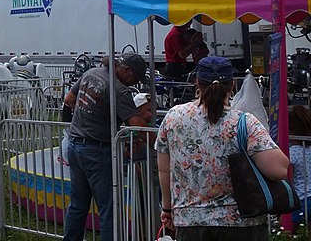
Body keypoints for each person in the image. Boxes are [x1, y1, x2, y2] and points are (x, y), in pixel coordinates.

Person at [156, 56, 288, 239]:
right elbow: (279, 170)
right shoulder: (244, 122)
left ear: (197, 83)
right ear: (232, 84)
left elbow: (164, 169)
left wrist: (167, 208)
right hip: (241, 222)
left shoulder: (173, 118)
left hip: (190, 222)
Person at [62, 52, 149, 241]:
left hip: (75, 144)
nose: (135, 83)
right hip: (97, 150)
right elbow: (137, 125)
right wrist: (159, 145)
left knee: (78, 205)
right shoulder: (118, 89)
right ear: (126, 70)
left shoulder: (90, 73)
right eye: (135, 78)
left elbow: (69, 100)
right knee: (109, 208)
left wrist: (89, 114)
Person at [289, 104, 311, 229]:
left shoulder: (291, 153)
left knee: (289, 233)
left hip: (299, 199)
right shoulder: (309, 150)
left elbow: (289, 181)